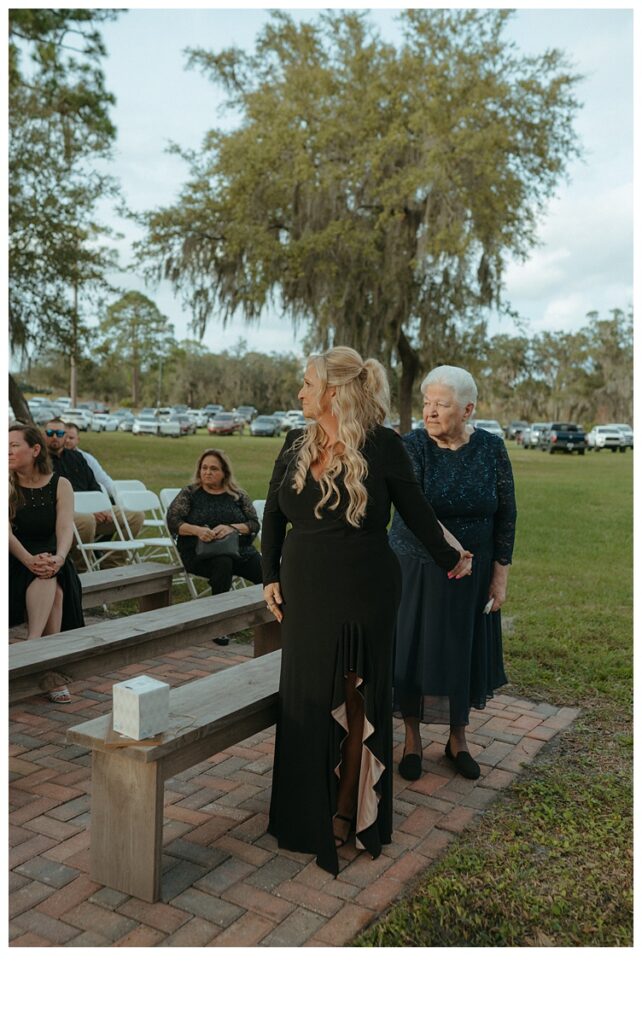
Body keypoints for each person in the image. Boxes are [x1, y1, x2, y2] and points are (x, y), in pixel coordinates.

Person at [261, 347, 472, 877]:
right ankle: (301, 810)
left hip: (364, 591)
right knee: (307, 696)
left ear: (333, 391)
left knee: (354, 700)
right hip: (304, 592)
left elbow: (417, 513)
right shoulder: (293, 443)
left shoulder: (382, 446)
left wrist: (453, 557)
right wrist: (268, 576)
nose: (300, 393)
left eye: (308, 383)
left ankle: (346, 810)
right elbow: (271, 517)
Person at [389, 365, 517, 782]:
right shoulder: (413, 447)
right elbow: (413, 513)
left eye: (441, 404)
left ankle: (457, 739)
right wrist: (451, 552)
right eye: (426, 403)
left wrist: (500, 575)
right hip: (418, 566)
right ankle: (411, 739)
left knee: (464, 650)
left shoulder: (492, 448)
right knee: (412, 649)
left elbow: (506, 513)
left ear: (467, 409)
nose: (429, 411)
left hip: (474, 572)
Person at [9, 423, 84, 702]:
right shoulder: (6, 483)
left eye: (15, 445)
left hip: (52, 558)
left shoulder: (60, 485)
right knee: (54, 588)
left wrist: (61, 558)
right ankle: (47, 667)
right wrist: (29, 559)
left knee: (52, 576)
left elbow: (65, 529)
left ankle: (33, 648)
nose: (8, 451)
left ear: (35, 449)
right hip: (14, 558)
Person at [166, 449, 262, 643]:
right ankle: (219, 625)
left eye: (213, 468)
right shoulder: (190, 494)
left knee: (266, 570)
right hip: (198, 552)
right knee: (223, 564)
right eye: (204, 468)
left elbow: (254, 524)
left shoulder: (237, 495)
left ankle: (274, 616)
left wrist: (231, 528)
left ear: (224, 472)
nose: (207, 472)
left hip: (239, 551)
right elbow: (173, 521)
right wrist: (197, 530)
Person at [43, 418, 144, 568]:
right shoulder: (39, 462)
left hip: (93, 512)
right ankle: (81, 569)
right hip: (65, 516)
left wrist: (100, 507)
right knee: (87, 520)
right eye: (50, 433)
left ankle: (112, 563)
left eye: (59, 433)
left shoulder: (78, 458)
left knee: (135, 515)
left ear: (65, 435)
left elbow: (94, 485)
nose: (55, 437)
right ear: (43, 435)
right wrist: (88, 510)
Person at [64, 422, 117, 500]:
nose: (67, 441)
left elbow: (105, 481)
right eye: (65, 437)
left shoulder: (87, 458)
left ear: (78, 440)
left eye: (71, 438)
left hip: (91, 501)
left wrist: (119, 496)